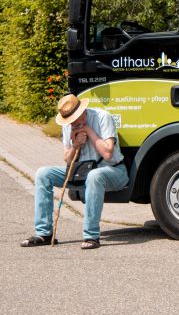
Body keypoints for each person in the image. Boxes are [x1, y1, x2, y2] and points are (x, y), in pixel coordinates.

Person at [20, 94, 128, 249]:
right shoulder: (68, 124)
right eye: (70, 121)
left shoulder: (103, 117)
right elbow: (68, 159)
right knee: (43, 173)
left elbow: (108, 153)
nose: (73, 124)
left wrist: (89, 131)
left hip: (113, 171)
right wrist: (76, 144)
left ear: (83, 112)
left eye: (76, 119)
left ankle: (91, 236)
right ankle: (44, 233)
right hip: (81, 172)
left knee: (94, 175)